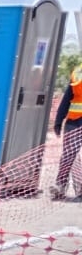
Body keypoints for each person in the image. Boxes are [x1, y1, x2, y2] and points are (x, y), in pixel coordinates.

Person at [52, 65, 82, 200]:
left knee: (68, 156)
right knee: (68, 156)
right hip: (74, 121)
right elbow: (67, 98)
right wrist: (59, 120)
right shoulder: (78, 72)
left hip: (74, 122)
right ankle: (60, 187)